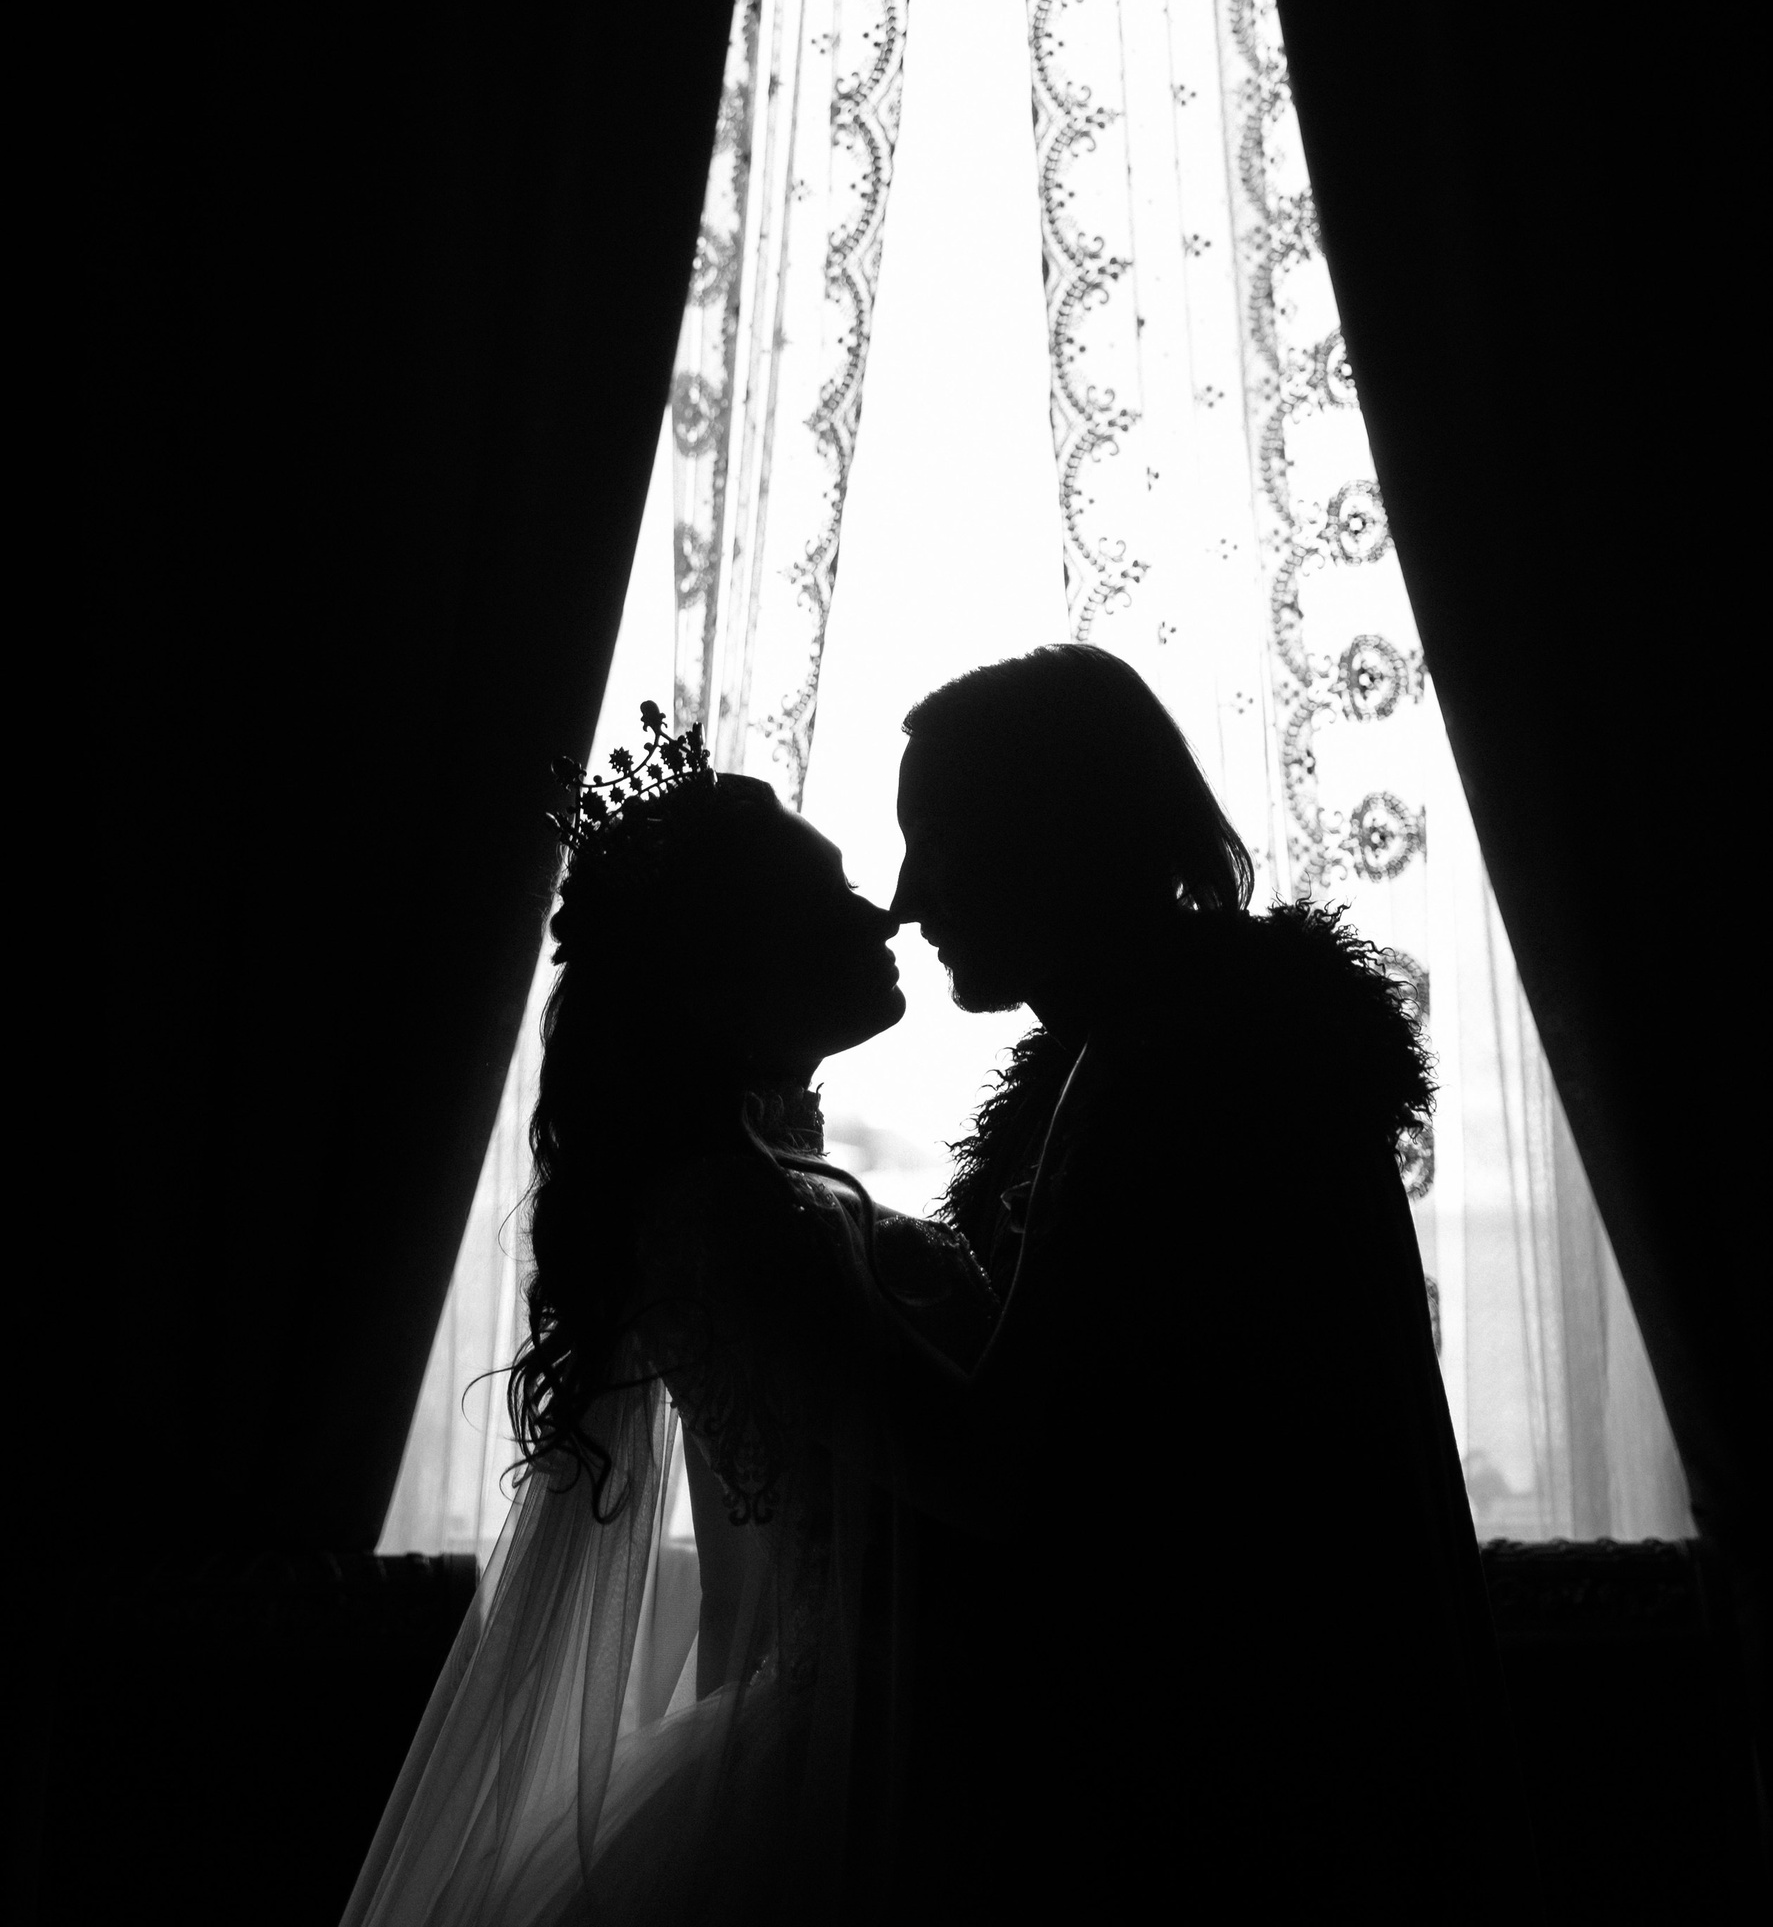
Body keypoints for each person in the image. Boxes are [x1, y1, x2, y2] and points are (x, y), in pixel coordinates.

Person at [892, 643, 1521, 1918]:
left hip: (1232, 1786)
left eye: (937, 843)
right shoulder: (1209, 1035)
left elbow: (1037, 1465)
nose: (906, 900)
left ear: (1051, 834)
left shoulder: (1174, 1070)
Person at [341, 709, 995, 1927]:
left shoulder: (755, 1179)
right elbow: (972, 1472)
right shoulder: (724, 1211)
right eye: (830, 898)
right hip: (898, 1771)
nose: (881, 915)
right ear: (727, 972)